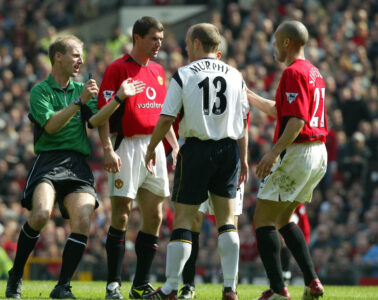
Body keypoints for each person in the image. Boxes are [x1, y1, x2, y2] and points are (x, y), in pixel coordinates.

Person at [143, 23, 249, 300]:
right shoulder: (236, 75)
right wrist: (245, 159)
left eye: (188, 43)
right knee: (227, 222)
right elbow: (243, 123)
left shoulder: (185, 74)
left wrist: (151, 148)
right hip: (229, 150)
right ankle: (230, 288)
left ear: (198, 44)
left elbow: (167, 117)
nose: (186, 48)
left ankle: (169, 288)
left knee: (184, 220)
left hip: (197, 150)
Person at [5, 35, 101, 299]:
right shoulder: (40, 91)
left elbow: (96, 122)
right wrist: (79, 102)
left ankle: (63, 286)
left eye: (82, 55)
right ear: (58, 56)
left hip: (77, 164)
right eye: (75, 55)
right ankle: (15, 276)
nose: (81, 60)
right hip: (48, 161)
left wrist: (117, 100)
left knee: (83, 218)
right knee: (41, 214)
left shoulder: (84, 88)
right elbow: (50, 126)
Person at [96, 16, 179, 300]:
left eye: (161, 38)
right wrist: (107, 149)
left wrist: (175, 146)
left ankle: (140, 284)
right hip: (126, 146)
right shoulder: (117, 69)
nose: (159, 43)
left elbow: (163, 115)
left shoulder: (157, 70)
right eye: (154, 38)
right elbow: (102, 114)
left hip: (154, 147)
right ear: (137, 38)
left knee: (154, 216)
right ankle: (113, 285)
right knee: (121, 213)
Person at [246, 20, 327, 300]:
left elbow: (296, 121)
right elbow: (280, 110)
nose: (272, 47)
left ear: (285, 42)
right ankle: (312, 280)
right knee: (283, 217)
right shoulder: (313, 72)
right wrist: (249, 95)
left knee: (262, 220)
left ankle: (279, 290)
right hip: (318, 152)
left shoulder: (293, 72)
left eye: (275, 41)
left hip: (299, 150)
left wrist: (273, 152)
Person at [178, 184, 245, 299]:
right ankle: (188, 286)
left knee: (229, 222)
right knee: (193, 220)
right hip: (200, 168)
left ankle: (230, 287)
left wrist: (243, 164)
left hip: (227, 168)